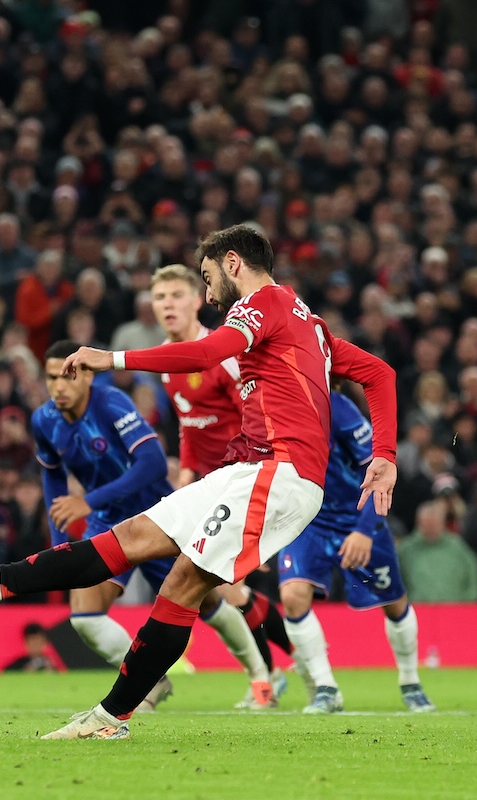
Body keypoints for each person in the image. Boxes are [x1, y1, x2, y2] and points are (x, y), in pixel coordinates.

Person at [0, 224, 398, 740]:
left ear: (232, 263)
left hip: (278, 472)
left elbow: (203, 354)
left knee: (183, 585)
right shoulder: (309, 322)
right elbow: (380, 374)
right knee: (131, 539)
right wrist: (385, 454)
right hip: (247, 469)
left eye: (206, 276)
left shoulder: (259, 306)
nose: (207, 290)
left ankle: (112, 718)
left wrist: (112, 359)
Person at [29, 338, 275, 712]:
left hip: (158, 515)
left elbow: (154, 464)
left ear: (88, 375)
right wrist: (62, 544)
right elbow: (53, 482)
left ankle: (261, 679)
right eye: (51, 378)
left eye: (68, 375)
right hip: (109, 519)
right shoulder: (43, 420)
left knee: (208, 602)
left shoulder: (112, 404)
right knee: (84, 617)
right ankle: (152, 682)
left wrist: (88, 501)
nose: (59, 386)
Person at [150, 263, 292, 706]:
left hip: (244, 477)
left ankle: (275, 672)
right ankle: (289, 663)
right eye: (160, 298)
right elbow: (188, 429)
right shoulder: (167, 364)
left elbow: (254, 415)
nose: (168, 305)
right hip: (208, 486)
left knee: (226, 587)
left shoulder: (223, 353)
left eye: (177, 295)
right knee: (224, 587)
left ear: (197, 300)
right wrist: (187, 478)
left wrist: (251, 485)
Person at [277, 388, 435, 714]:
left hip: (357, 516)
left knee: (394, 604)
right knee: (293, 596)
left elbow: (381, 471)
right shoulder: (270, 405)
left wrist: (364, 530)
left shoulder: (339, 409)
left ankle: (410, 681)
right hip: (308, 520)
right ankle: (326, 688)